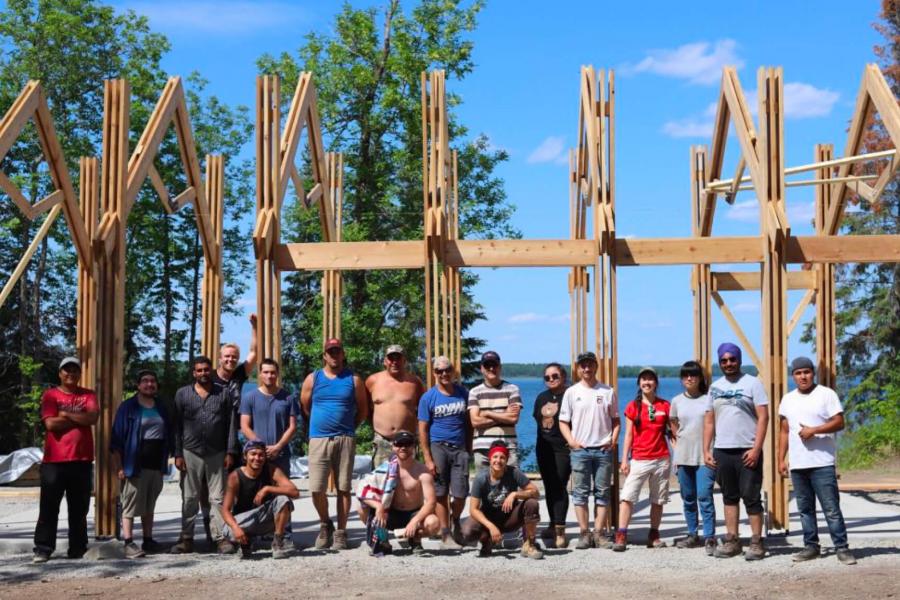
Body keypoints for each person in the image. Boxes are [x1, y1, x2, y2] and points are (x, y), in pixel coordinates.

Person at [778, 357, 857, 565]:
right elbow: (784, 431)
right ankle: (811, 546)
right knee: (805, 509)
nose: (803, 376)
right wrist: (781, 459)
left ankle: (842, 547)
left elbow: (839, 422)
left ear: (813, 373)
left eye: (806, 372)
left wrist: (814, 430)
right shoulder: (787, 399)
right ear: (793, 376)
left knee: (831, 508)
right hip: (798, 464)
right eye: (798, 373)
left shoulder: (826, 394)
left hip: (822, 462)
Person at [300, 338, 368, 550]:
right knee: (316, 488)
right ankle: (324, 523)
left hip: (345, 438)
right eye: (330, 352)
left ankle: (341, 532)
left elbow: (363, 409)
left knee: (344, 488)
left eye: (337, 351)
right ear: (324, 356)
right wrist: (321, 423)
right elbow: (305, 406)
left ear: (343, 354)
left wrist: (349, 427)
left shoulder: (354, 380)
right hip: (319, 438)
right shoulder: (313, 378)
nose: (334, 355)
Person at [704, 342, 769, 560]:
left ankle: (756, 541)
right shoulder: (715, 387)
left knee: (751, 496)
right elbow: (710, 422)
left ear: (739, 360)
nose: (728, 363)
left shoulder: (753, 383)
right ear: (720, 362)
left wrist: (756, 449)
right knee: (729, 496)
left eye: (732, 359)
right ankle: (732, 540)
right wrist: (707, 450)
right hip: (723, 450)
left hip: (747, 450)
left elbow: (763, 418)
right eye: (724, 360)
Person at [32, 357, 99, 563]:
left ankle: (78, 548)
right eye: (66, 370)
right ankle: (43, 548)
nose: (71, 373)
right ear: (60, 373)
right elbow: (51, 425)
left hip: (82, 460)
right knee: (49, 507)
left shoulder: (89, 394)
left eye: (75, 370)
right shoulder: (50, 395)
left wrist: (66, 414)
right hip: (54, 461)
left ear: (80, 374)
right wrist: (77, 415)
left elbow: (92, 418)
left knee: (79, 508)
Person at [171, 356, 239, 554]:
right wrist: (177, 453)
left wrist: (230, 451)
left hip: (217, 452)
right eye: (199, 370)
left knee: (217, 498)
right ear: (194, 373)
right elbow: (176, 426)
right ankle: (186, 539)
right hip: (189, 451)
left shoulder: (223, 394)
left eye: (206, 370)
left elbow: (231, 424)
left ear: (212, 370)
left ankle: (220, 538)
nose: (203, 373)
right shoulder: (182, 394)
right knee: (190, 497)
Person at [559, 351, 619, 550]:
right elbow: (563, 422)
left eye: (590, 364)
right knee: (580, 493)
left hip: (602, 450)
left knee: (603, 493)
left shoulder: (607, 391)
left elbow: (616, 420)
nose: (586, 368)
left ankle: (599, 533)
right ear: (578, 368)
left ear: (596, 366)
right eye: (583, 365)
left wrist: (613, 439)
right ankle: (584, 533)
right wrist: (572, 442)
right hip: (580, 451)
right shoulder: (571, 392)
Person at [110, 369, 172, 558]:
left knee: (149, 504)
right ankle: (128, 542)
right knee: (130, 503)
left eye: (152, 381)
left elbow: (168, 434)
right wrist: (119, 467)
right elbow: (116, 439)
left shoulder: (161, 406)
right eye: (145, 381)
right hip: (134, 464)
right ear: (138, 385)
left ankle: (148, 540)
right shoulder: (128, 407)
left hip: (156, 464)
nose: (149, 384)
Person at [612, 367, 672, 551]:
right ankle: (621, 534)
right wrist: (624, 459)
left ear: (656, 383)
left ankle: (654, 534)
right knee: (628, 497)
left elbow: (672, 433)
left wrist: (676, 457)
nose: (647, 382)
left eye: (650, 379)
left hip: (662, 458)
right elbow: (628, 434)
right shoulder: (633, 406)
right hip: (640, 458)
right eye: (643, 379)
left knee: (658, 499)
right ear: (639, 383)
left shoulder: (665, 406)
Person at [357, 430, 440, 556]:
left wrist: (414, 521)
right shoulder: (385, 469)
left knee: (433, 523)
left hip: (413, 514)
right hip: (391, 513)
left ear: (414, 446)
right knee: (362, 509)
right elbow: (363, 490)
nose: (403, 448)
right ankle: (384, 540)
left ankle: (415, 539)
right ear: (393, 446)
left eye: (407, 444)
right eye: (399, 444)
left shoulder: (423, 471)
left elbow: (431, 502)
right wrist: (378, 506)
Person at [418, 356, 470, 549]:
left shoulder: (463, 393)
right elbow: (422, 428)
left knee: (460, 494)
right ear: (434, 373)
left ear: (453, 371)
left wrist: (469, 447)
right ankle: (446, 534)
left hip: (459, 448)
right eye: (439, 371)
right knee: (440, 493)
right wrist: (428, 459)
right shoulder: (428, 397)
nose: (444, 374)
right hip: (438, 446)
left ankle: (454, 519)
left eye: (447, 369)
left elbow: (469, 423)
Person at [460, 441, 544, 559]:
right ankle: (487, 541)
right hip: (490, 517)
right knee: (466, 531)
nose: (498, 461)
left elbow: (535, 493)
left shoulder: (514, 473)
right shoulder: (481, 478)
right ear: (490, 458)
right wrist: (490, 526)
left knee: (531, 503)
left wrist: (515, 494)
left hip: (510, 518)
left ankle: (530, 544)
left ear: (506, 460)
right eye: (495, 457)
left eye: (502, 457)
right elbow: (473, 509)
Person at [221, 440, 299, 559]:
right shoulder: (235, 476)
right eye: (253, 454)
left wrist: (268, 488)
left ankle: (277, 542)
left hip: (264, 518)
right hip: (245, 521)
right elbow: (225, 510)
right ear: (245, 456)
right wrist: (236, 528)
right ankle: (245, 543)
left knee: (283, 499)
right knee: (228, 530)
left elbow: (294, 492)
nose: (257, 458)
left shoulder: (271, 470)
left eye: (261, 454)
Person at [670, 360, 717, 555]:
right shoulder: (676, 401)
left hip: (704, 456)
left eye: (693, 375)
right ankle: (692, 533)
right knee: (688, 498)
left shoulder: (709, 399)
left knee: (704, 495)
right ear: (682, 379)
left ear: (700, 378)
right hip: (683, 457)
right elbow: (674, 428)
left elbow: (714, 426)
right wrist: (676, 453)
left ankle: (710, 536)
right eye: (685, 375)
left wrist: (712, 451)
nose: (689, 378)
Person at [366, 344, 425, 467]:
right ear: (385, 361)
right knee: (380, 482)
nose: (394, 362)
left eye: (398, 358)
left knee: (409, 481)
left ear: (404, 361)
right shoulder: (373, 381)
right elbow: (366, 409)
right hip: (382, 441)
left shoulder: (415, 382)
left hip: (407, 442)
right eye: (391, 358)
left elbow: (423, 412)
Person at [532, 362, 570, 549]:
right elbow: (537, 420)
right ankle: (552, 524)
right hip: (543, 448)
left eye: (555, 376)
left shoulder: (570, 395)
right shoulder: (541, 397)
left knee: (560, 486)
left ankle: (560, 530)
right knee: (549, 486)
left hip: (563, 449)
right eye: (547, 377)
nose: (551, 379)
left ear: (563, 376)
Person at [240, 358, 298, 480]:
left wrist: (278, 447)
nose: (269, 375)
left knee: (282, 494)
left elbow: (292, 427)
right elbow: (244, 426)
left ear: (277, 374)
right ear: (260, 374)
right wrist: (260, 447)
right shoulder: (249, 397)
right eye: (266, 372)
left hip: (281, 454)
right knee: (256, 493)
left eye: (272, 372)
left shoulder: (288, 398)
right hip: (256, 456)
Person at [468, 351, 522, 471]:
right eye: (487, 365)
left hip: (508, 447)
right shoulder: (474, 392)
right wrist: (504, 415)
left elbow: (513, 418)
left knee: (511, 486)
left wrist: (487, 413)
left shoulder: (512, 389)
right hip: (482, 449)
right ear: (482, 368)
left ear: (500, 367)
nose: (491, 368)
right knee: (484, 487)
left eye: (494, 365)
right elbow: (475, 422)